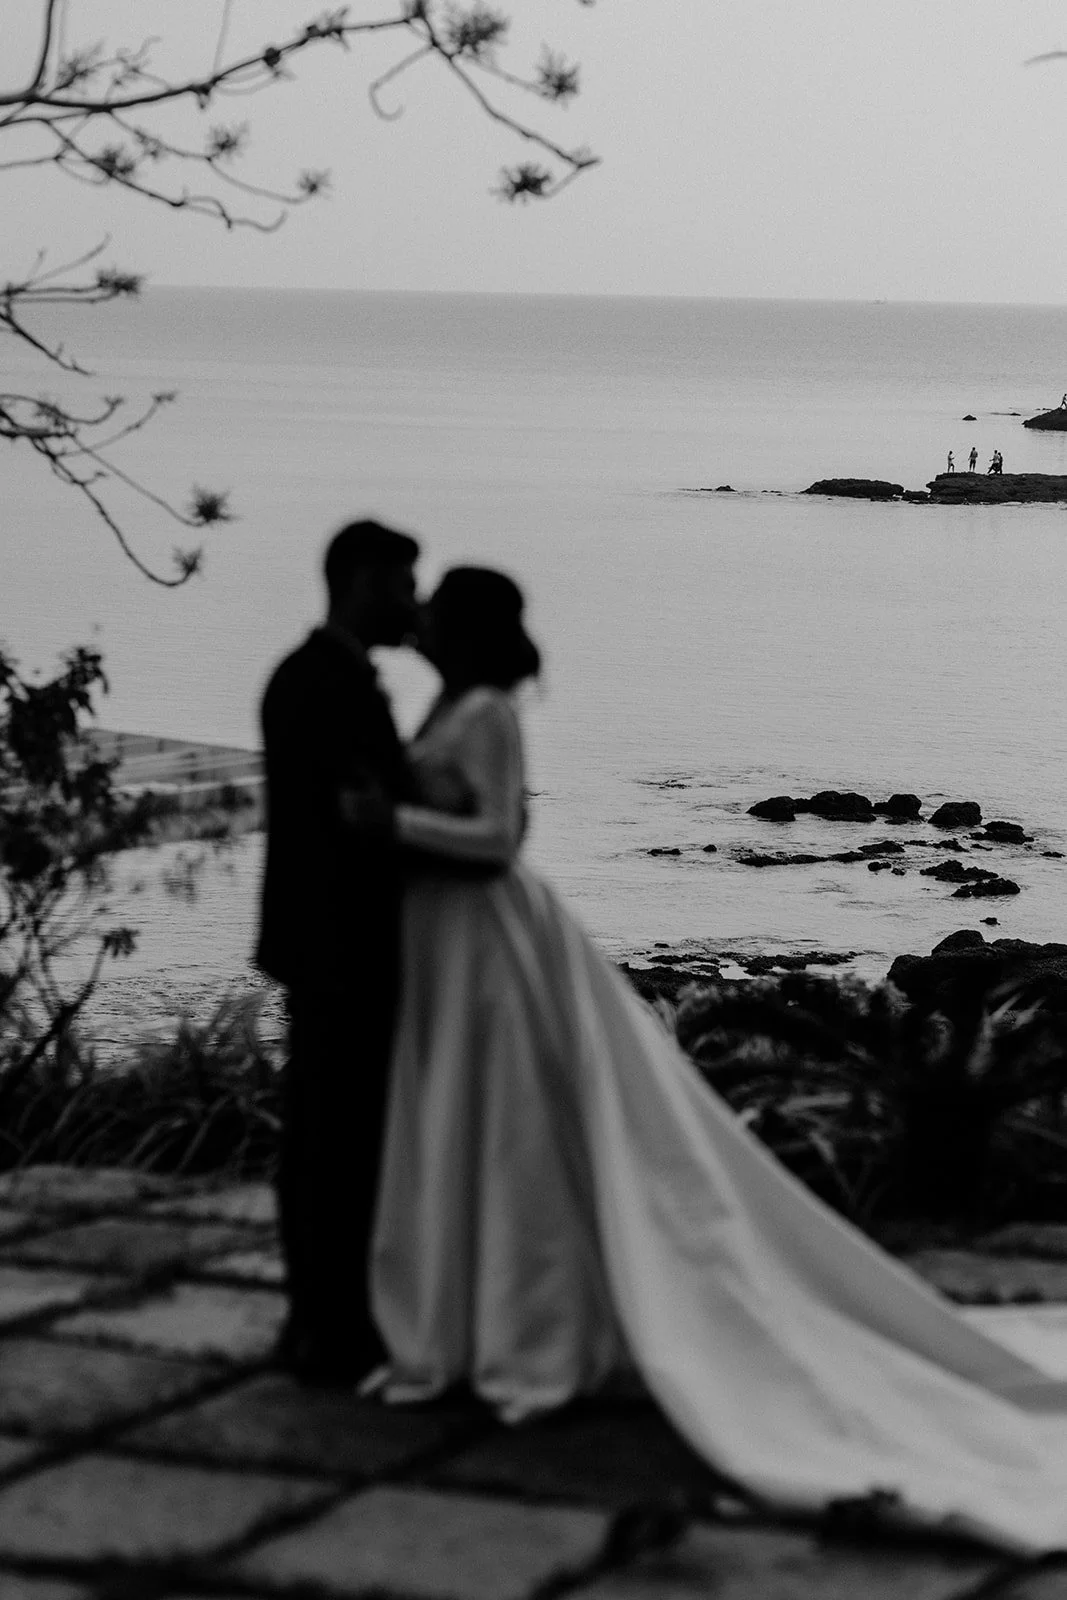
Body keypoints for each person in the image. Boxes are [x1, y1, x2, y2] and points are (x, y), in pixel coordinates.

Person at [365, 565, 1067, 1554]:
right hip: (452, 935)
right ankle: (493, 1314)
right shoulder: (450, 698)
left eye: (437, 605)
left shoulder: (484, 707)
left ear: (465, 627)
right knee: (485, 1116)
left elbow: (498, 834)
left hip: (491, 935)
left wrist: (385, 822)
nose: (421, 614)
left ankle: (530, 1322)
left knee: (516, 1120)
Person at [257, 518, 422, 1384]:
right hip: (337, 941)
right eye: (403, 586)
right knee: (333, 1139)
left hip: (324, 937)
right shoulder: (323, 684)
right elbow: (360, 821)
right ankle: (327, 1323)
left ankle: (322, 1317)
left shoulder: (325, 676)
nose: (414, 603)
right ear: (361, 582)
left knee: (334, 1132)